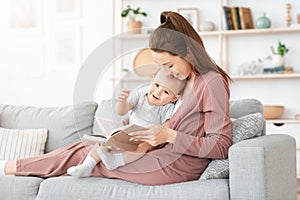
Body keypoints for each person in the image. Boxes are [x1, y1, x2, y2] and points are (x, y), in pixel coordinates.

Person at [0, 11, 232, 185]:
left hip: (179, 165)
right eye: (162, 67)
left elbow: (221, 146)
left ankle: (8, 168)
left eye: (169, 64)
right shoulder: (184, 82)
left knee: (87, 156)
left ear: (187, 53)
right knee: (89, 145)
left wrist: (168, 134)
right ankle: (12, 167)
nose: (168, 72)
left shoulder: (211, 82)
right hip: (160, 154)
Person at [67, 67, 186, 176]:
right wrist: (122, 101)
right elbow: (121, 111)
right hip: (128, 132)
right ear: (152, 80)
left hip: (146, 138)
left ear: (174, 98)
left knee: (145, 146)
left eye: (166, 92)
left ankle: (116, 161)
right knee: (105, 138)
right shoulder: (139, 96)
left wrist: (162, 131)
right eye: (157, 85)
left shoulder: (167, 107)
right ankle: (87, 166)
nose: (158, 92)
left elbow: (167, 125)